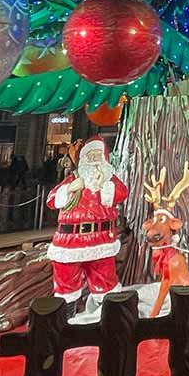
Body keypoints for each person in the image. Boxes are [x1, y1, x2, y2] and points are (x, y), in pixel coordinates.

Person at [46, 136, 128, 317]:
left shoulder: (109, 181)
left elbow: (122, 193)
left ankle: (108, 319)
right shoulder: (73, 180)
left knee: (105, 282)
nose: (93, 159)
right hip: (69, 242)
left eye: (97, 155)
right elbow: (52, 200)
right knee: (66, 285)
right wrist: (68, 189)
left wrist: (105, 185)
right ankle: (66, 320)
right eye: (89, 155)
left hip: (100, 240)